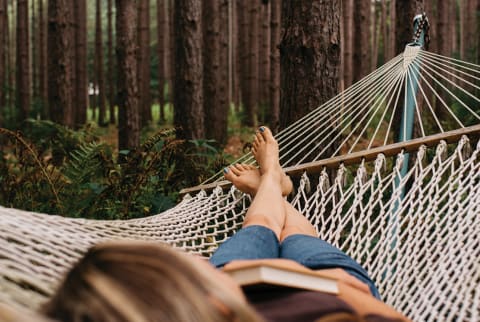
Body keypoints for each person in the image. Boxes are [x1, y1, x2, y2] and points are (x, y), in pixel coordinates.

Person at [42, 126, 408, 322]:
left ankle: (270, 185)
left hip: (236, 281)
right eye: (195, 269)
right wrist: (336, 287)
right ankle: (272, 181)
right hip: (320, 283)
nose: (200, 262)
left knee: (259, 228)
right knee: (290, 233)